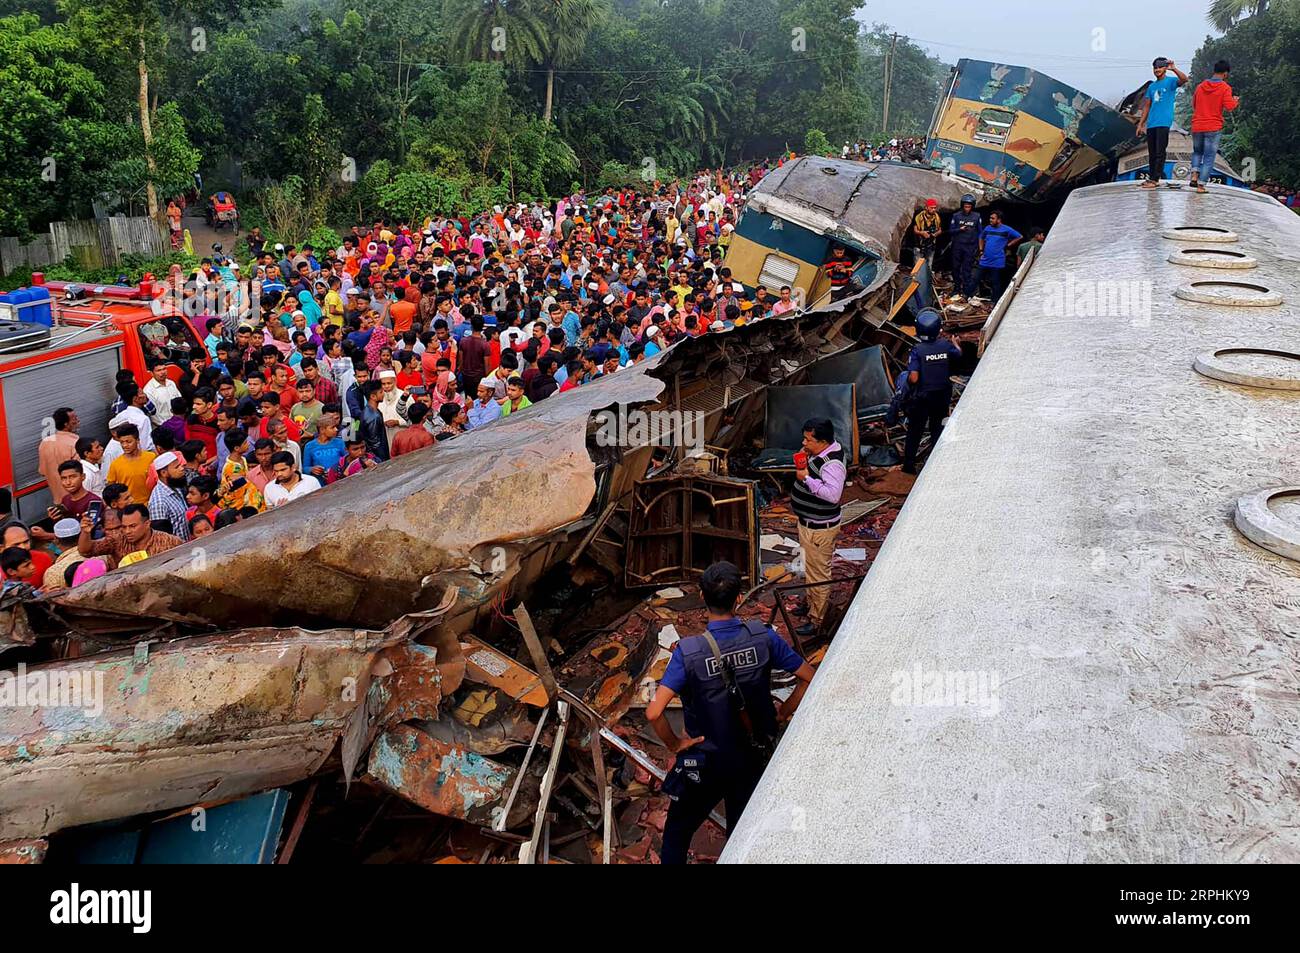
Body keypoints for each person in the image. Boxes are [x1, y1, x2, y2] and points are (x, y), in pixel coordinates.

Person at [645, 561, 815, 865]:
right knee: (742, 836)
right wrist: (783, 713)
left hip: (706, 761)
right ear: (739, 599)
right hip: (752, 758)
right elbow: (808, 677)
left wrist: (676, 745)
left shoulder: (689, 652)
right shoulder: (763, 636)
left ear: (700, 595)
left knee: (676, 835)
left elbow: (654, 712)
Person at [791, 417, 846, 637]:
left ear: (822, 441)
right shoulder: (823, 453)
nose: (804, 443)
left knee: (819, 575)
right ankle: (811, 604)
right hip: (809, 524)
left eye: (808, 439)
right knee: (810, 568)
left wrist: (806, 479)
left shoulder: (833, 464)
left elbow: (833, 495)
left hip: (819, 529)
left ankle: (817, 619)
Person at [902, 308, 962, 475]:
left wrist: (905, 379)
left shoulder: (917, 350)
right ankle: (937, 466)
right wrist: (956, 343)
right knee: (938, 429)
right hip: (942, 396)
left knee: (915, 431)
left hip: (922, 397)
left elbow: (913, 378)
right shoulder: (945, 345)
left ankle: (908, 467)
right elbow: (958, 355)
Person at [1135, 57, 1188, 189]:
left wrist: (1174, 68)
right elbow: (1147, 106)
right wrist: (1141, 124)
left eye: (1159, 67)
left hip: (1164, 122)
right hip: (1152, 123)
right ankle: (1151, 177)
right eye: (1155, 67)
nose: (1157, 70)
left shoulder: (1170, 82)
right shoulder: (1152, 86)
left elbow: (1184, 79)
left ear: (1165, 68)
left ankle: (1155, 179)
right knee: (1152, 152)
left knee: (1160, 151)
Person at [77, 503, 181, 569]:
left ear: (147, 524)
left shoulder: (170, 542)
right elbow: (86, 551)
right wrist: (85, 532)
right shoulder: (117, 540)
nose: (127, 531)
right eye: (124, 526)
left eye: (132, 526)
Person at [1190, 60, 1239, 194]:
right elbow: (1229, 107)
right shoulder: (1225, 88)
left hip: (1197, 125)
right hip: (1213, 126)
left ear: (1214, 70)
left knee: (1197, 152)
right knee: (1209, 156)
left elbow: (1194, 104)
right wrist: (1235, 101)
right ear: (1225, 73)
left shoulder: (1200, 86)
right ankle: (1201, 186)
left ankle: (1194, 175)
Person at [972, 211, 1021, 305]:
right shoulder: (987, 228)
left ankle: (995, 301)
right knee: (976, 278)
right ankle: (967, 296)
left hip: (997, 261)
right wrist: (981, 250)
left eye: (993, 218)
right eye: (990, 218)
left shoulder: (1006, 229)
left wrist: (1008, 245)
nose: (990, 220)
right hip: (985, 260)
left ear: (999, 220)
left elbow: (1019, 237)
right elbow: (981, 237)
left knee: (995, 282)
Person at [105, 424, 157, 505]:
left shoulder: (151, 458)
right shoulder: (115, 464)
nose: (125, 445)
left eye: (128, 442)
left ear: (137, 440)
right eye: (122, 442)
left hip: (152, 504)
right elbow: (110, 487)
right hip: (129, 508)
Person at [147, 451, 192, 541]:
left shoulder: (175, 486)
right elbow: (161, 539)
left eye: (180, 465)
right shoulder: (159, 503)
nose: (181, 468)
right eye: (176, 467)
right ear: (164, 473)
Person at [37, 407, 80, 499]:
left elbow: (42, 471)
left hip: (58, 499)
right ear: (66, 424)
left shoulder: (45, 443)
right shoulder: (75, 443)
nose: (78, 420)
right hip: (76, 500)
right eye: (74, 419)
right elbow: (83, 473)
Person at [948, 194, 981, 302]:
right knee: (955, 267)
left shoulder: (977, 216)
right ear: (962, 206)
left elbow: (981, 233)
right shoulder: (956, 216)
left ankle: (967, 291)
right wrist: (960, 229)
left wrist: (979, 247)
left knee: (967, 269)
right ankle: (957, 288)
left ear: (972, 206)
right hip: (957, 246)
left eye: (969, 206)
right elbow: (950, 231)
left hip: (970, 247)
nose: (967, 208)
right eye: (965, 206)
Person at [912, 198, 942, 271]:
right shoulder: (919, 217)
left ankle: (927, 280)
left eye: (935, 208)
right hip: (920, 245)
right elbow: (915, 230)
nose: (933, 210)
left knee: (929, 266)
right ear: (926, 207)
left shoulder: (937, 217)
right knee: (917, 267)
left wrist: (935, 234)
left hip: (931, 246)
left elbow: (940, 229)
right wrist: (922, 233)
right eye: (931, 208)